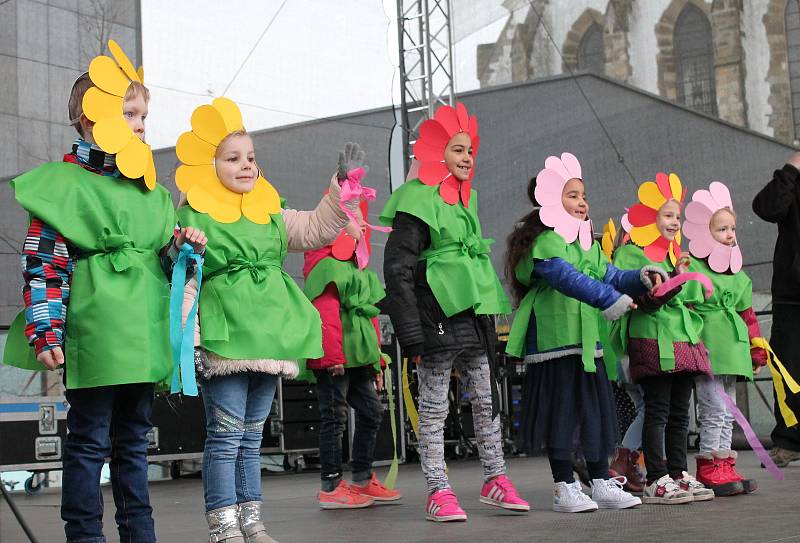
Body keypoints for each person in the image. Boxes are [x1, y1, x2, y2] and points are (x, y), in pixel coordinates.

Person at [2, 41, 207, 543]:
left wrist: (181, 249)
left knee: (135, 443)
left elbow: (161, 261)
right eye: (129, 112)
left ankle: (141, 534)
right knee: (89, 442)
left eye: (144, 114)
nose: (141, 123)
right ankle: (85, 536)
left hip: (141, 334)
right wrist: (45, 327)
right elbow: (45, 262)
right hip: (95, 333)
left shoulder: (152, 194)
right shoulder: (66, 185)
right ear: (91, 121)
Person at [176, 98, 360, 543]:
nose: (245, 166)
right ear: (211, 163)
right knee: (224, 436)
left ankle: (252, 523)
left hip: (269, 336)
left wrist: (338, 188)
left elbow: (316, 228)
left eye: (251, 158)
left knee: (251, 437)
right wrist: (187, 341)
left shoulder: (269, 209)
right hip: (225, 336)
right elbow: (184, 280)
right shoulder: (194, 212)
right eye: (233, 158)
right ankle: (224, 527)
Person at [381, 102, 528, 522]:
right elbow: (398, 268)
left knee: (485, 399)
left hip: (470, 317)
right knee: (434, 406)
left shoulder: (465, 201)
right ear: (436, 154)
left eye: (470, 151)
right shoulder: (417, 202)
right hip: (434, 319)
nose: (466, 158)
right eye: (458, 150)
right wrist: (411, 333)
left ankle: (495, 479)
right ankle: (437, 489)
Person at [505, 154, 651, 513]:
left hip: (588, 341)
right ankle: (563, 486)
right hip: (555, 341)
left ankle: (600, 480)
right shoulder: (546, 244)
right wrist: (608, 299)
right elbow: (569, 279)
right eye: (572, 195)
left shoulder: (587, 243)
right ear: (552, 202)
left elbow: (611, 275)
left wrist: (643, 277)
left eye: (583, 194)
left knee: (594, 411)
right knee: (563, 412)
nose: (582, 201)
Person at [613, 172, 715, 505]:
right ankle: (656, 477)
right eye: (667, 215)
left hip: (682, 341)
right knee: (657, 411)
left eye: (677, 216)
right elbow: (644, 298)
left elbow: (694, 297)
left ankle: (677, 472)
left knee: (680, 413)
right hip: (654, 342)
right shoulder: (633, 255)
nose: (674, 222)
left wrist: (684, 275)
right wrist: (677, 281)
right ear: (649, 219)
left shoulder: (675, 255)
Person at [303, 198, 402, 508]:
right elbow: (325, 312)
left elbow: (370, 316)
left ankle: (361, 478)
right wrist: (332, 357)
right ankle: (331, 486)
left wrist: (375, 361)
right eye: (352, 220)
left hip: (358, 357)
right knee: (334, 418)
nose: (361, 225)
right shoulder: (327, 266)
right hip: (337, 360)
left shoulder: (357, 267)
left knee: (372, 412)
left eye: (362, 221)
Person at [684, 181, 768, 495]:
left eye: (732, 228)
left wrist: (757, 352)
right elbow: (687, 309)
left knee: (728, 410)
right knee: (713, 408)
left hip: (731, 349)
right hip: (709, 348)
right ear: (705, 234)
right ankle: (708, 466)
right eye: (722, 229)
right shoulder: (694, 269)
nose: (730, 234)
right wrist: (692, 344)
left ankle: (724, 465)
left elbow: (748, 317)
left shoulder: (738, 276)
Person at [752, 153, 800, 467]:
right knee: (788, 369)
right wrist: (791, 168)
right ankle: (789, 441)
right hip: (792, 293)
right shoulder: (791, 181)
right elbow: (766, 208)